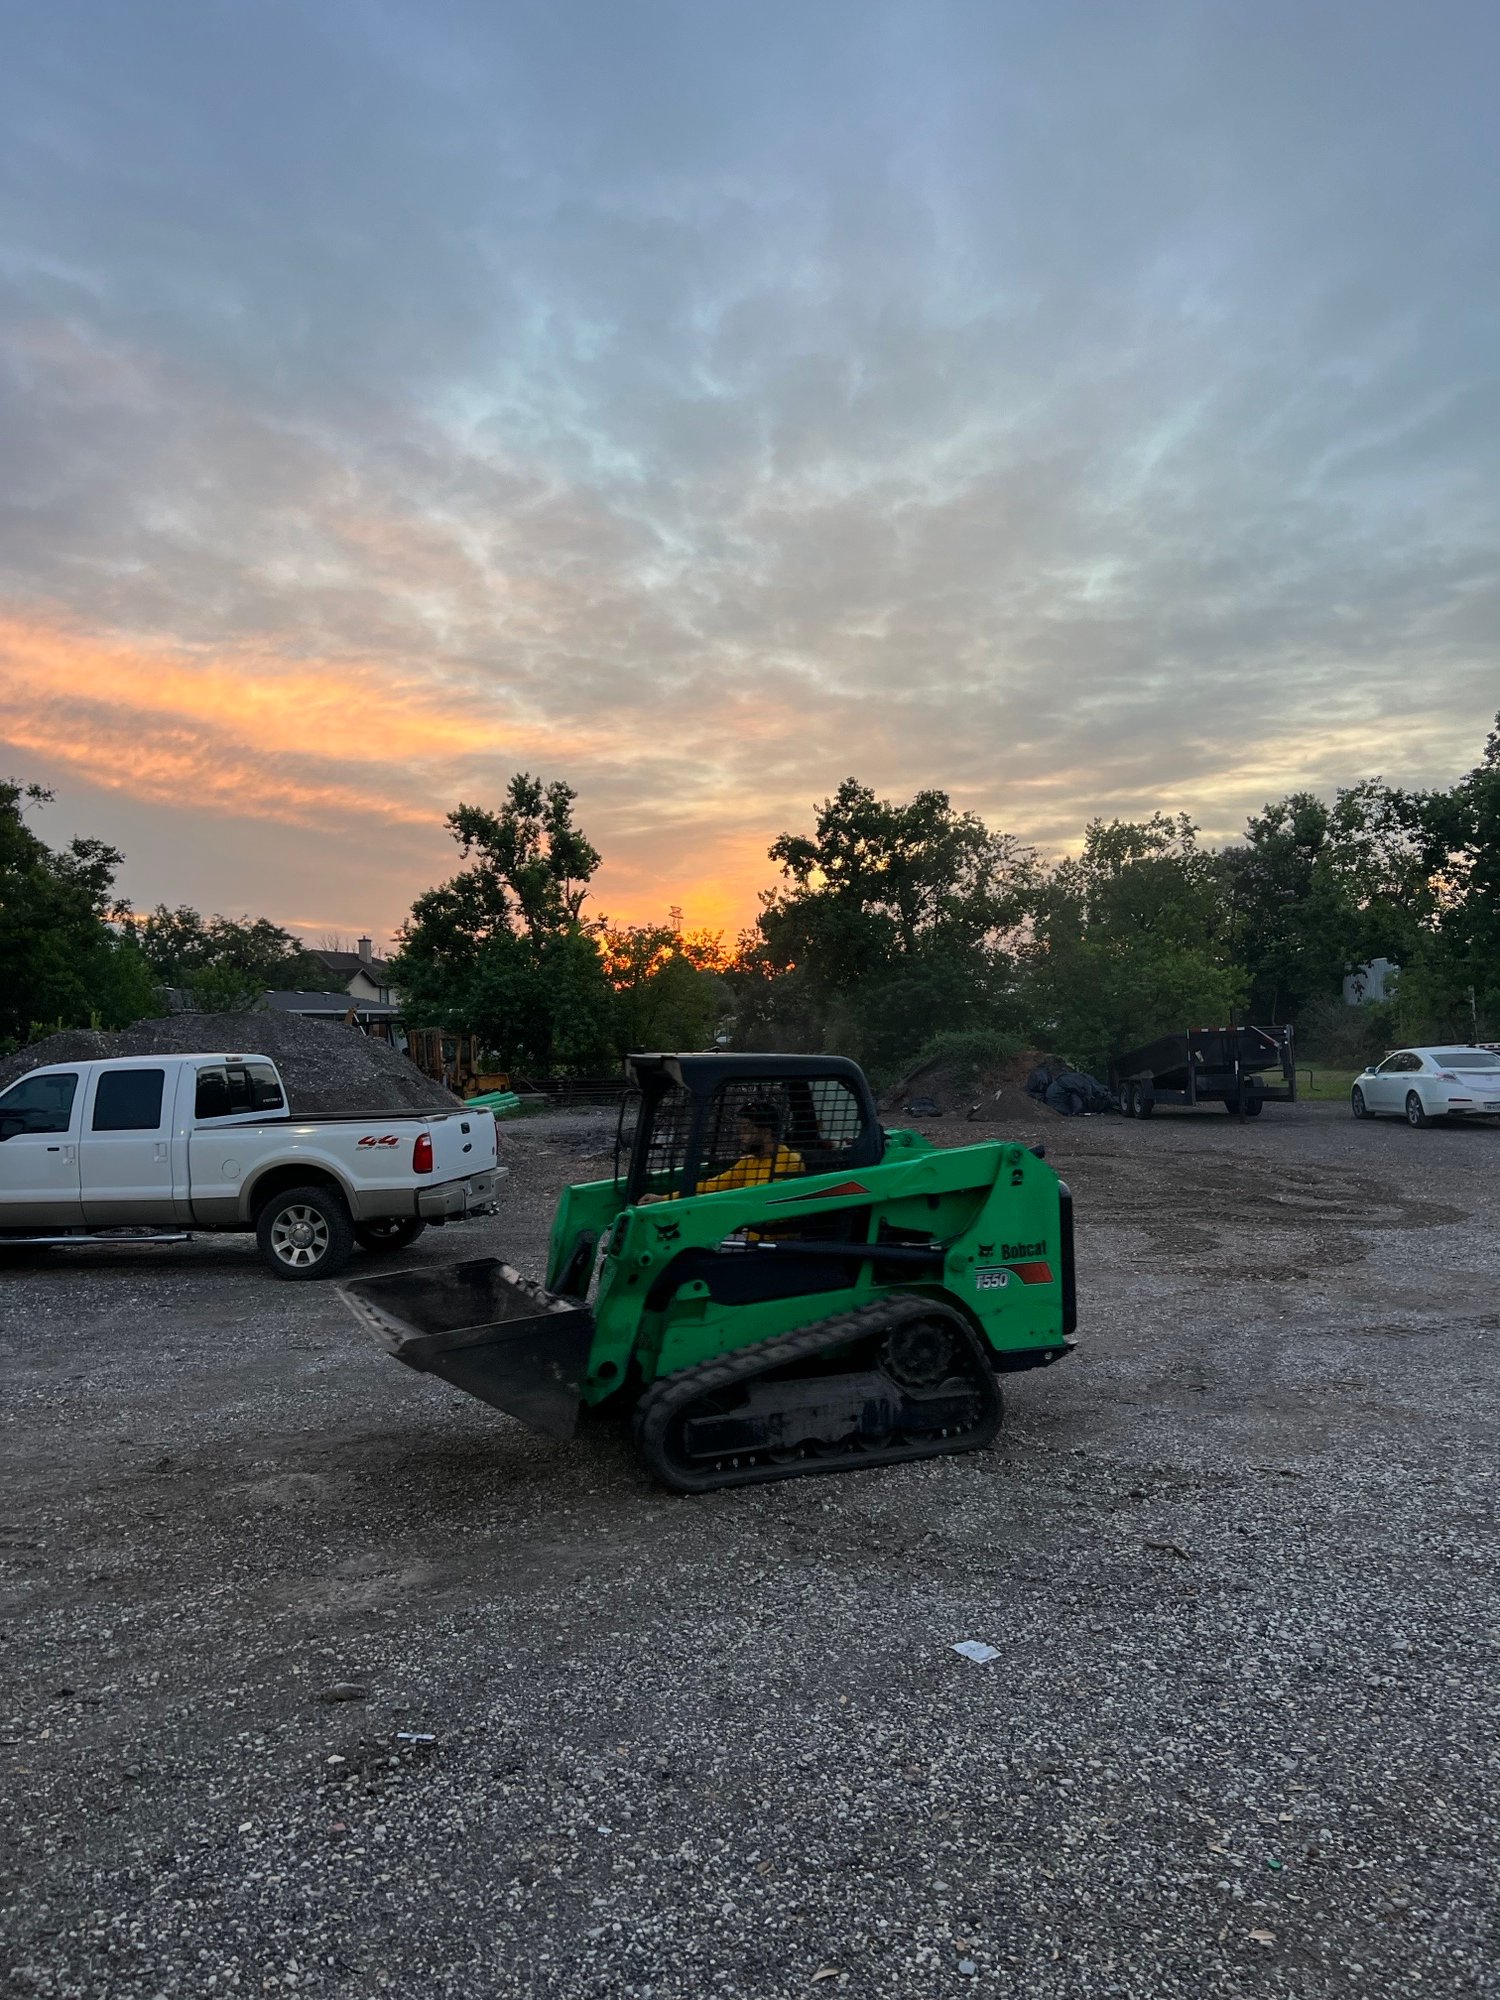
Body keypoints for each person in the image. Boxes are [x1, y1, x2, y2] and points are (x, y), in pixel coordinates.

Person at [695, 1099, 803, 1193]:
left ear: (766, 1131)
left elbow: (767, 1197)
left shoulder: (789, 1161)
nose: (741, 1136)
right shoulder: (748, 1162)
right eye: (740, 1130)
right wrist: (682, 1193)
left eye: (746, 1129)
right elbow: (715, 1185)